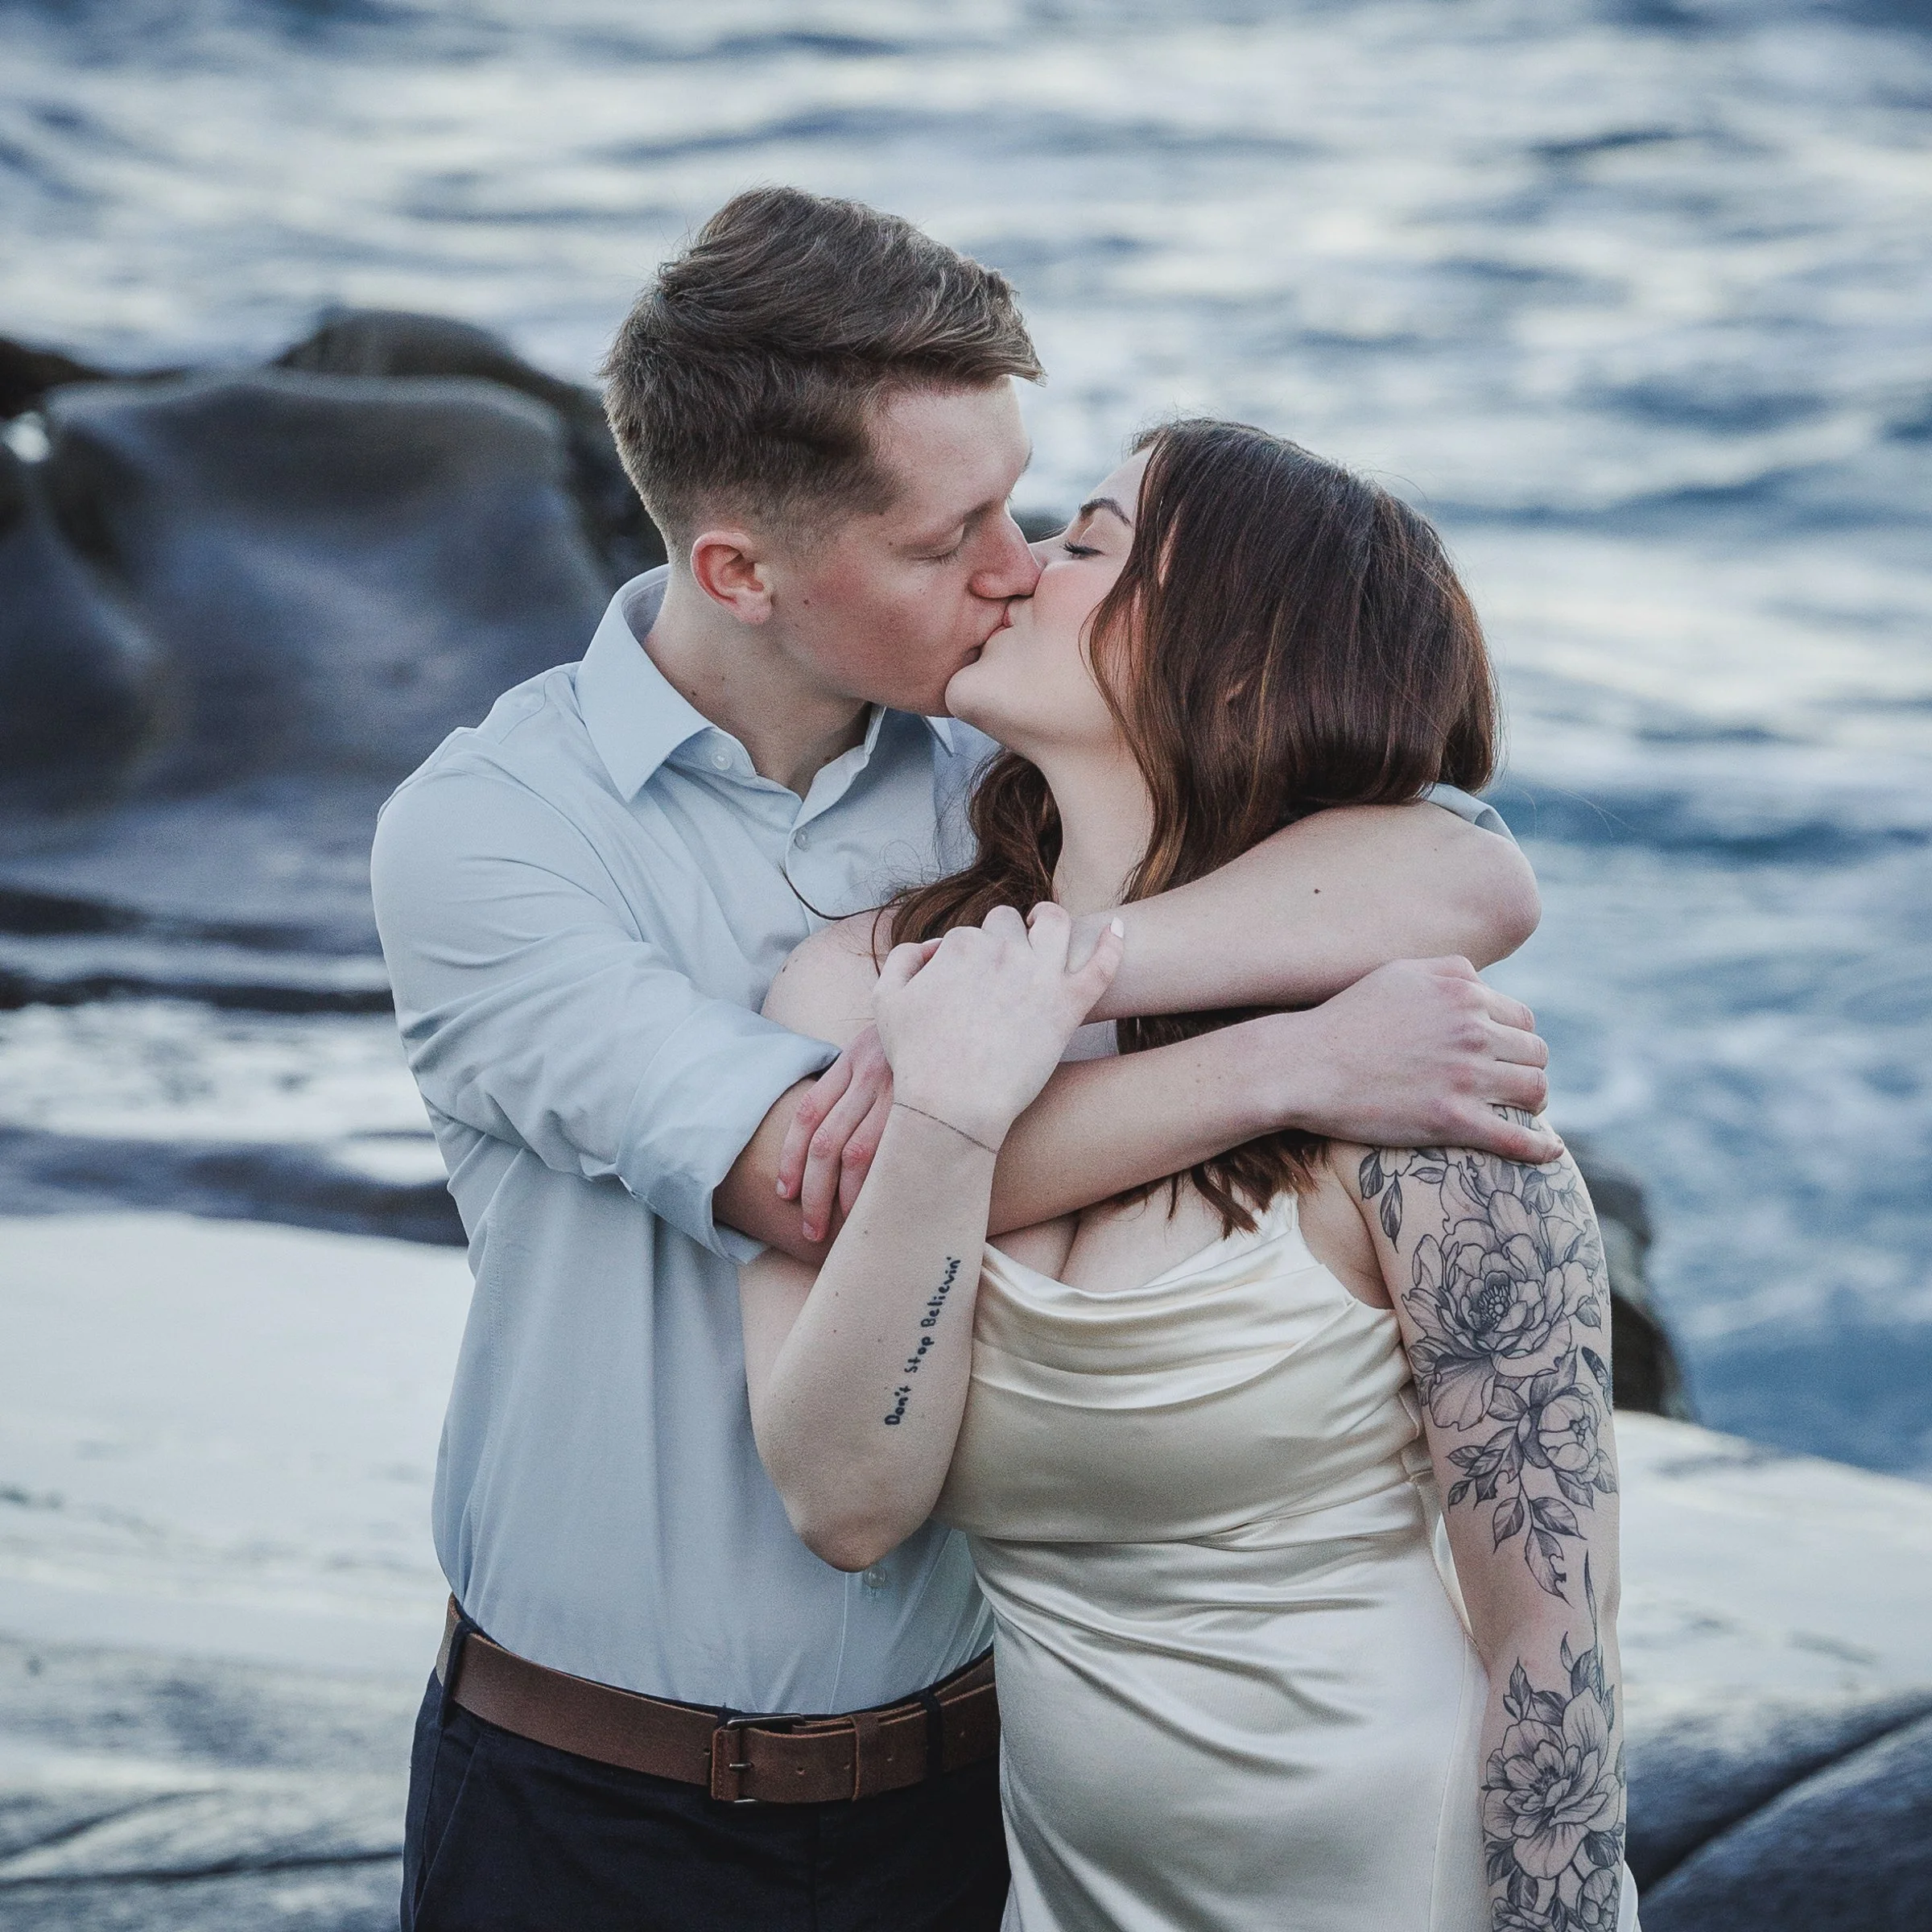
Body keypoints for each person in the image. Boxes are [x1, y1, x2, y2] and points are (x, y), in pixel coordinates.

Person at [372, 189, 1556, 1932]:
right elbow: (818, 1186)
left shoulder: (991, 779)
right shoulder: (489, 838)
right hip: (592, 1803)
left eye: (1022, 503)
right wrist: (1281, 1063)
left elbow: (1463, 866)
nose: (1012, 567)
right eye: (950, 539)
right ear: (738, 573)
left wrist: (1069, 968)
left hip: (982, 1795)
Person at [741, 419, 1638, 1930]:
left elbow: (1553, 1646)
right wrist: (956, 1100)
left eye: (1088, 543)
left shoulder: (1414, 1081)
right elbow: (843, 1499)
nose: (1018, 569)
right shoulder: (870, 990)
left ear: (1233, 664)